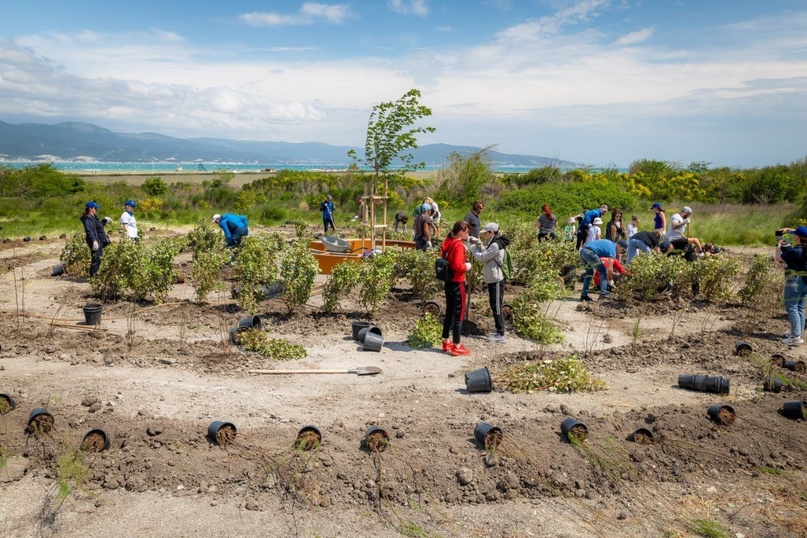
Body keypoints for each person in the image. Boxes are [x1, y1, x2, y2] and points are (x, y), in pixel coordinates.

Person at [469, 222, 509, 343]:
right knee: (493, 304)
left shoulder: (496, 245)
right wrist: (478, 243)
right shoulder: (494, 242)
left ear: (491, 232)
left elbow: (482, 257)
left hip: (496, 279)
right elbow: (486, 252)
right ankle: (498, 331)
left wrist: (472, 249)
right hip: (493, 277)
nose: (485, 234)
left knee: (496, 306)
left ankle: (501, 334)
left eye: (486, 232)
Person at [440, 221, 472, 356]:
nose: (468, 234)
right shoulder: (459, 245)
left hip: (448, 282)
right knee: (459, 314)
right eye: (466, 232)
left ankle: (446, 341)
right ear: (461, 231)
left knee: (449, 312)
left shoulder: (448, 241)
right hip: (457, 281)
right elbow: (458, 266)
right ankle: (457, 345)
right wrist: (467, 266)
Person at [774, 226, 807, 346]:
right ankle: (798, 333)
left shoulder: (795, 251)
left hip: (794, 281)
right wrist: (788, 230)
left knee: (792, 307)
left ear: (797, 237)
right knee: (800, 308)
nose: (793, 235)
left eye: (794, 234)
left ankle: (796, 337)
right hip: (804, 281)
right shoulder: (803, 249)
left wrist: (778, 246)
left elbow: (778, 258)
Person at [81, 201, 111, 277]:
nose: (96, 210)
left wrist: (104, 220)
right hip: (96, 241)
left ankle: (94, 274)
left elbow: (98, 226)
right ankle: (93, 275)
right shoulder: (87, 219)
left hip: (100, 240)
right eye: (95, 208)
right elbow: (89, 230)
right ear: (90, 209)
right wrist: (94, 241)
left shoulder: (94, 217)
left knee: (98, 258)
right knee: (96, 258)